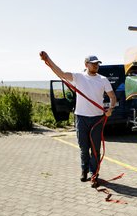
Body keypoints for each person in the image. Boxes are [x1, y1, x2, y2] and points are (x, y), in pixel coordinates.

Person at [39, 51, 116, 187]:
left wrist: (110, 109)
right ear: (86, 64)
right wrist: (48, 59)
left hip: (97, 119)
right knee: (83, 147)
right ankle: (84, 170)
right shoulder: (78, 77)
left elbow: (112, 97)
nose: (96, 66)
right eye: (93, 64)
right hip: (81, 118)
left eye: (97, 64)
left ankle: (94, 174)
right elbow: (61, 74)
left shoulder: (103, 79)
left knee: (95, 149)